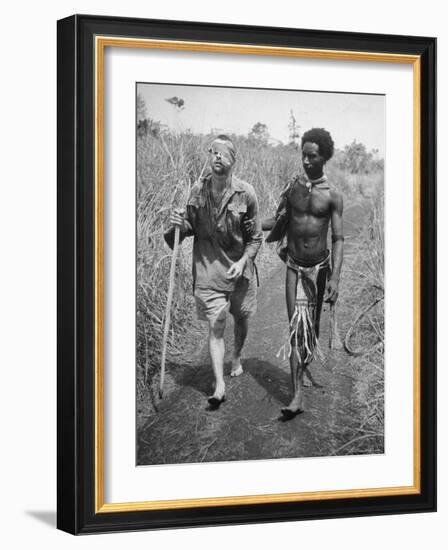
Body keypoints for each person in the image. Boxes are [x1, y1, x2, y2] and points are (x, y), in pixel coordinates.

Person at [165, 135, 262, 408]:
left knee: (241, 318)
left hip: (239, 271)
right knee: (216, 325)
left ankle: (237, 355)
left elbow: (255, 238)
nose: (217, 156)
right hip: (208, 271)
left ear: (233, 159)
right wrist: (175, 224)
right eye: (213, 152)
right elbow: (180, 235)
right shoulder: (196, 192)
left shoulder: (246, 193)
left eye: (223, 152)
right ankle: (219, 385)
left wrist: (244, 262)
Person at [252, 128, 344, 419]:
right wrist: (247, 222)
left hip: (318, 270)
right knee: (295, 329)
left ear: (324, 158)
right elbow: (275, 222)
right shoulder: (292, 189)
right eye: (303, 155)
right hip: (294, 267)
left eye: (312, 156)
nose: (305, 161)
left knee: (310, 332)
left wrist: (336, 278)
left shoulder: (333, 196)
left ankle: (302, 372)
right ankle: (296, 396)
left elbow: (338, 238)